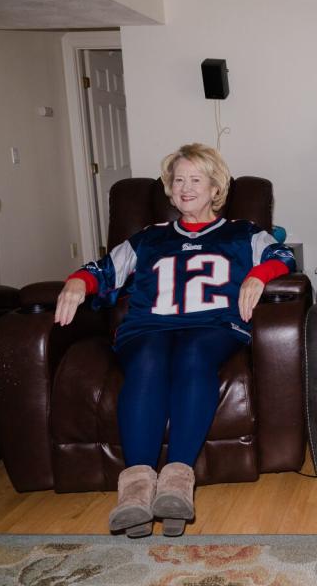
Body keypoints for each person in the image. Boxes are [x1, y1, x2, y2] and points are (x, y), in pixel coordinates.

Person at [55, 143, 295, 538]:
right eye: (178, 180)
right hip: (148, 328)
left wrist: (257, 274)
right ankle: (134, 492)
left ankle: (176, 486)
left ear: (215, 186)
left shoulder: (243, 233)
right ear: (168, 188)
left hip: (213, 326)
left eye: (195, 179)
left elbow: (282, 256)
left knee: (193, 354)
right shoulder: (149, 238)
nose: (185, 188)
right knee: (147, 359)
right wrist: (77, 284)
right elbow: (104, 269)